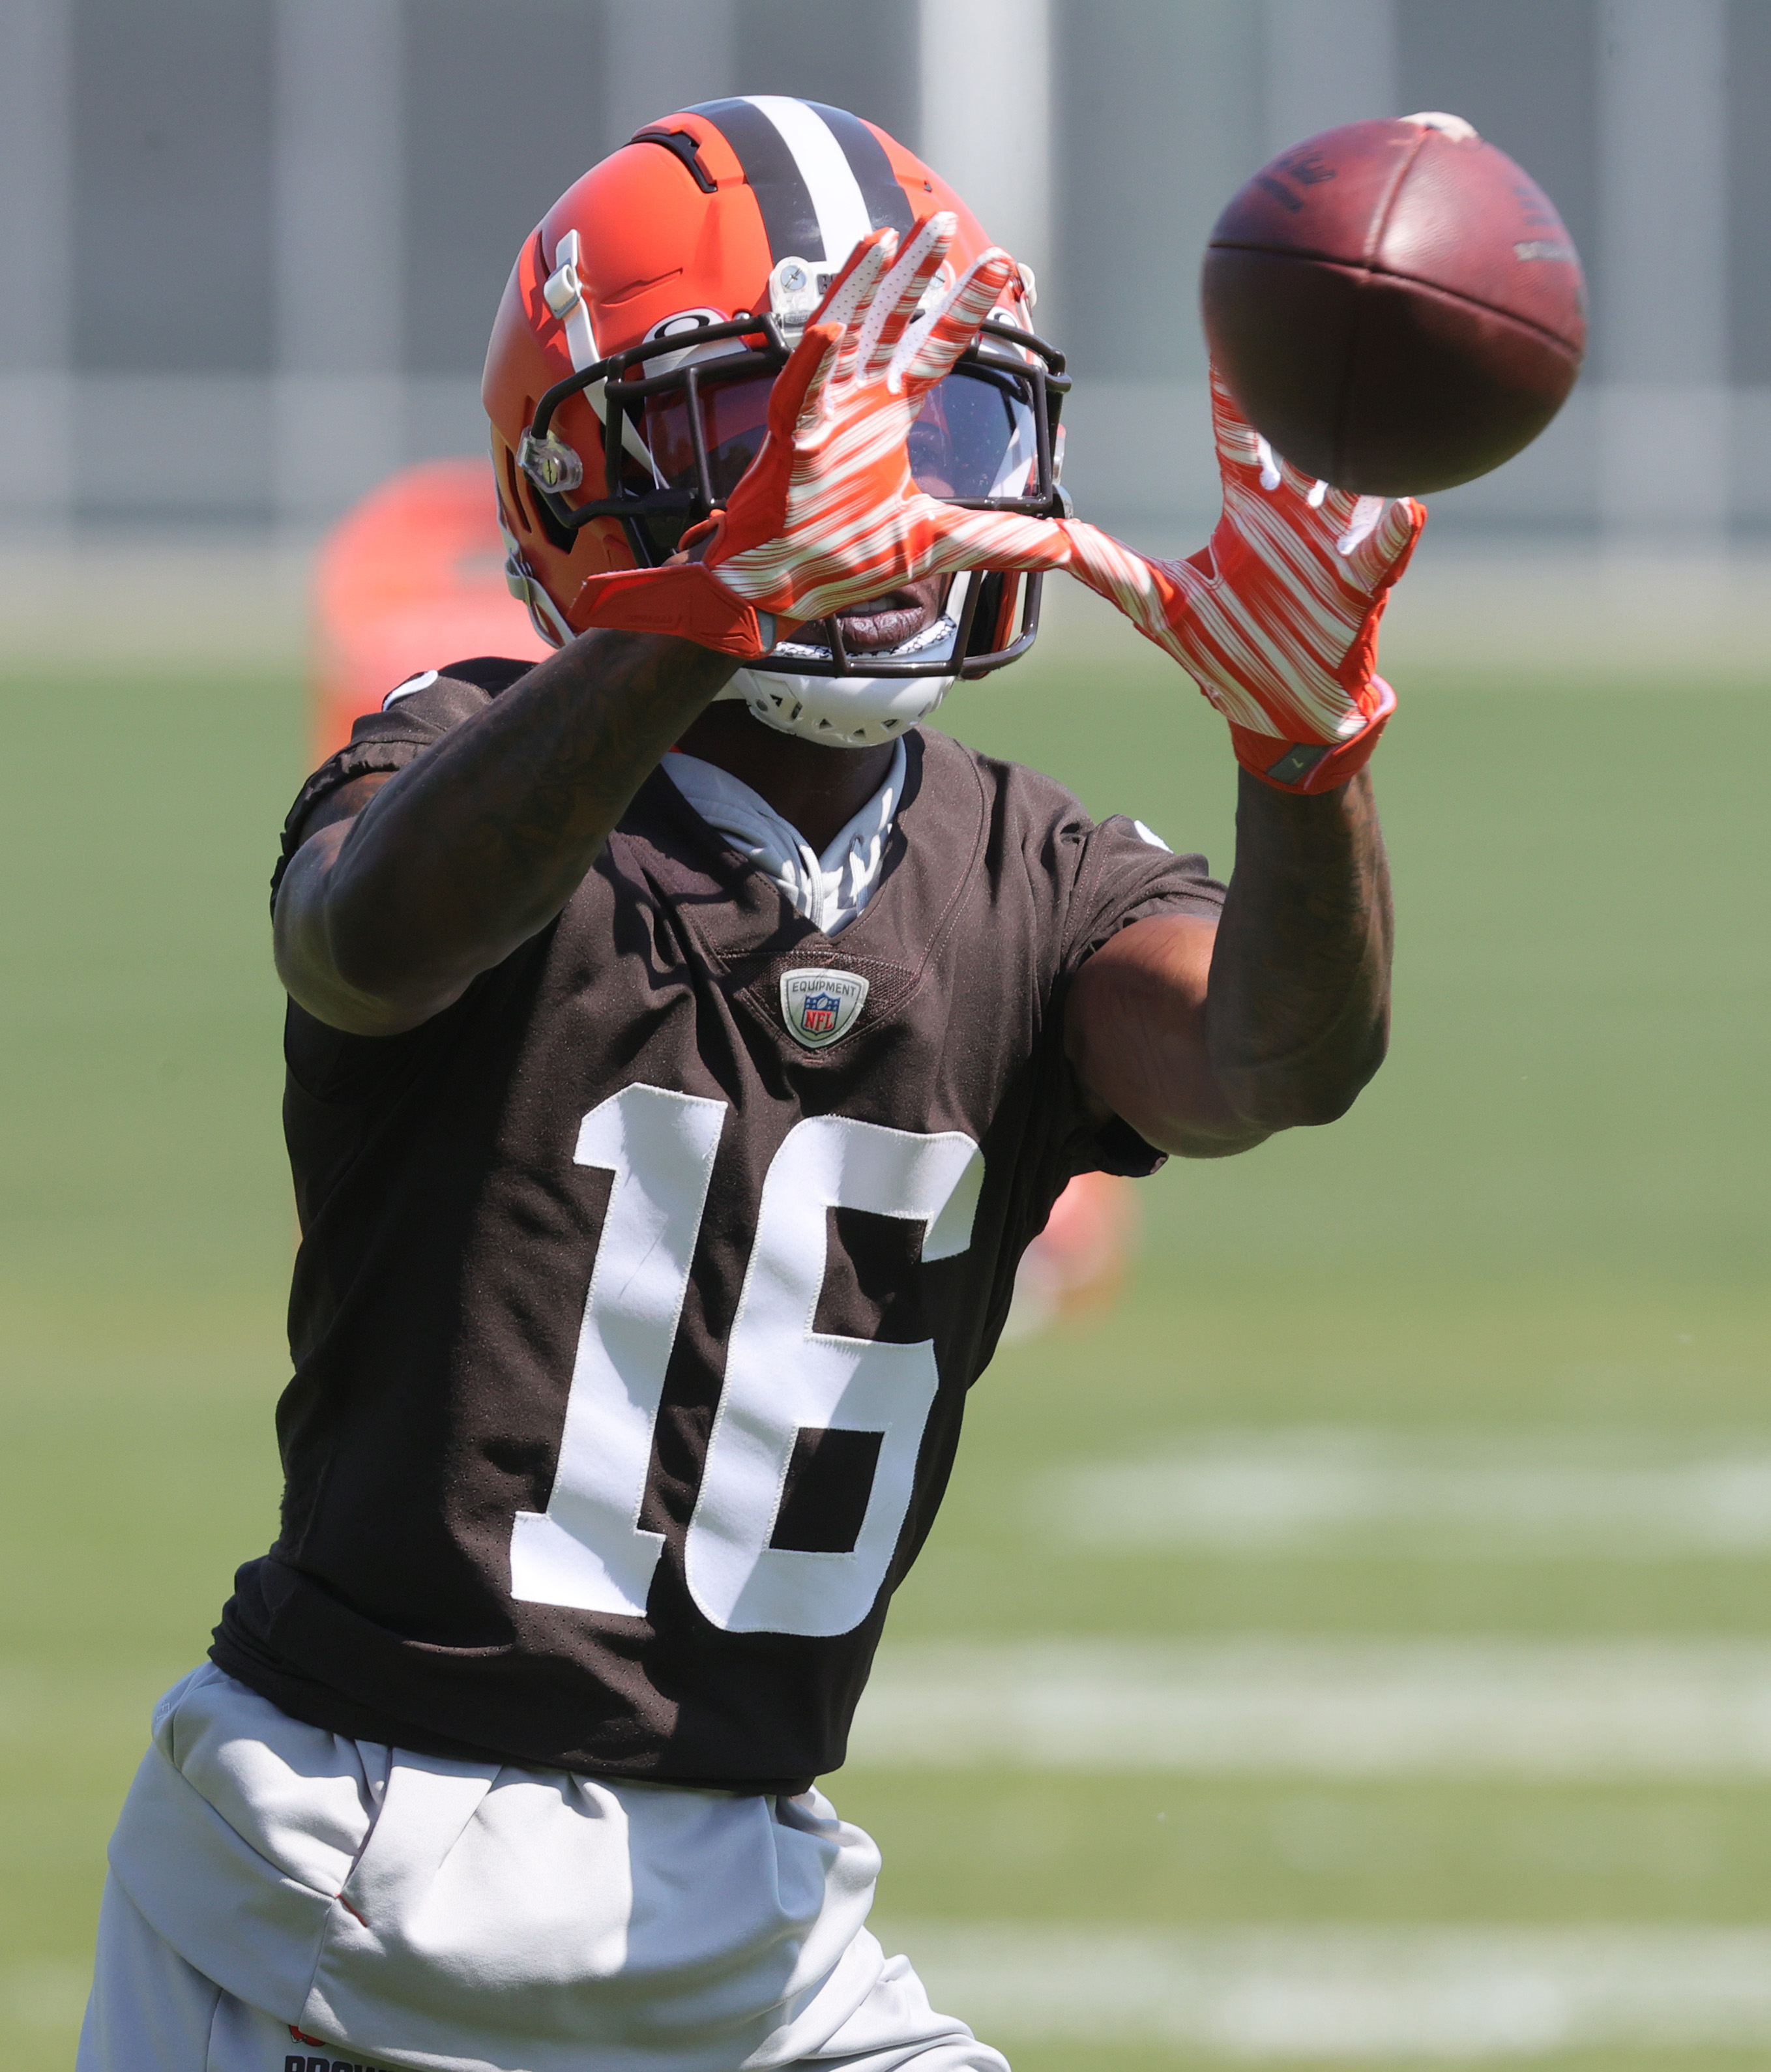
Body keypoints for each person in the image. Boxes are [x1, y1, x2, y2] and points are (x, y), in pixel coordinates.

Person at [80, 98, 1419, 2072]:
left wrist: (1311, 765)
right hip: (364, 1894)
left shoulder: (1024, 873)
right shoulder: (474, 773)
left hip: (750, 1914)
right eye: (765, 433)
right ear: (579, 473)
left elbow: (1275, 1056)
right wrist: (700, 616)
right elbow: (372, 935)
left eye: (915, 427)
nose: (866, 505)